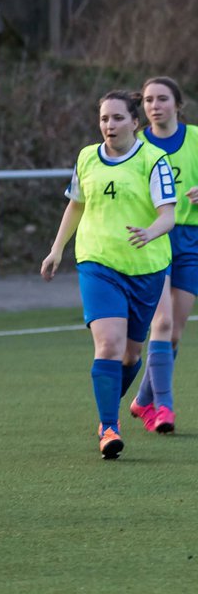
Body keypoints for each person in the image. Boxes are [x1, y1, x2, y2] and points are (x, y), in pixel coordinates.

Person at [41, 90, 175, 459]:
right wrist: (57, 249)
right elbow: (76, 205)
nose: (109, 126)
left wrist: (150, 232)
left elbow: (168, 214)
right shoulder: (87, 158)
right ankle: (109, 428)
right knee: (110, 345)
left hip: (146, 269)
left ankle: (107, 412)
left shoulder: (153, 159)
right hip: (97, 263)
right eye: (104, 119)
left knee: (131, 356)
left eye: (117, 118)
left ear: (136, 122)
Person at [127, 77, 198, 434]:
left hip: (191, 240)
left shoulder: (196, 138)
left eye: (162, 98)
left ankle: (142, 400)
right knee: (163, 323)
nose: (154, 105)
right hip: (155, 239)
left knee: (175, 332)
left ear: (177, 104)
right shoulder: (135, 146)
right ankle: (164, 407)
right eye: (149, 100)